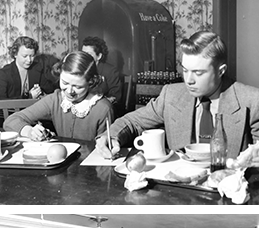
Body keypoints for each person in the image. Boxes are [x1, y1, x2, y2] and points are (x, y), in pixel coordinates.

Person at [97, 31, 259, 160]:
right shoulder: (171, 94)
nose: (189, 80)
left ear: (221, 71)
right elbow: (132, 121)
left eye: (198, 72)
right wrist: (112, 137)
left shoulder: (251, 100)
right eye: (185, 70)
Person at [3, 51, 113, 141]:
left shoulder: (103, 108)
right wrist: (30, 132)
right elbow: (11, 121)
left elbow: (106, 148)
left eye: (78, 87)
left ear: (90, 82)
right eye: (64, 83)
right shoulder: (55, 100)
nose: (69, 91)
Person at [81, 36, 124, 110]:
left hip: (103, 108)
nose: (84, 57)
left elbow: (115, 96)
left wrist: (98, 105)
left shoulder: (110, 71)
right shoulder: (80, 69)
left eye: (89, 54)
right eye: (83, 53)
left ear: (99, 56)